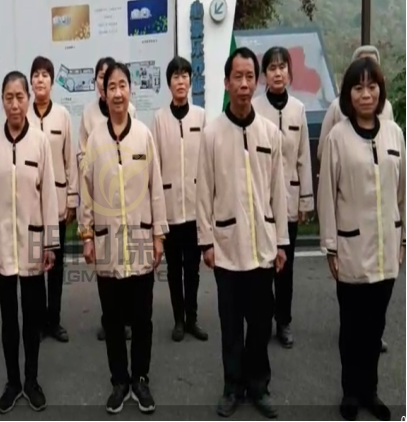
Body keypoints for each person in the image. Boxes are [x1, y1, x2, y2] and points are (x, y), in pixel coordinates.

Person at [196, 47, 289, 419]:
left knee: (261, 323)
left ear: (257, 81)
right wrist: (206, 241)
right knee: (231, 325)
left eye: (250, 77)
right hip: (227, 248)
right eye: (238, 77)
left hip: (263, 246)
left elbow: (278, 191)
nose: (244, 84)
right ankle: (232, 386)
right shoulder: (212, 134)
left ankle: (259, 384)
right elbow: (204, 191)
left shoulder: (269, 133)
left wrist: (281, 242)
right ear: (226, 82)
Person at [317, 57, 405, 422]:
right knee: (352, 327)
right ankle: (350, 391)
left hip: (387, 248)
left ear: (380, 91)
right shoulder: (338, 137)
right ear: (348, 95)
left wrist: (404, 239)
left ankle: (370, 390)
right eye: (358, 87)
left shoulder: (395, 133)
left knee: (375, 327)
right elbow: (326, 195)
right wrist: (330, 246)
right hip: (351, 248)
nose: (366, 94)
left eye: (372, 87)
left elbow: (403, 193)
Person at [79, 62, 168, 415]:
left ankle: (140, 379)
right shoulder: (95, 140)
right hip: (107, 243)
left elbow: (155, 187)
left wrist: (159, 234)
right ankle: (119, 380)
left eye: (122, 86)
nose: (117, 93)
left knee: (143, 318)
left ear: (131, 90)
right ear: (103, 93)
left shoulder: (143, 136)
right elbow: (87, 192)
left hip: (141, 239)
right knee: (113, 319)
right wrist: (86, 235)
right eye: (111, 87)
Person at [0, 71, 59, 414]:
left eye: (20, 97)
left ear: (28, 99)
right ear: (2, 101)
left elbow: (49, 196)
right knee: (9, 319)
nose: (14, 104)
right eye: (8, 97)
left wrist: (51, 243)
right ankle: (12, 382)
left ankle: (32, 380)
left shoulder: (39, 141)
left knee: (32, 317)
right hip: (1, 241)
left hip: (34, 241)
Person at [252, 46, 314, 349]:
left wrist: (305, 201)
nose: (278, 73)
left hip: (288, 199)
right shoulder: (255, 107)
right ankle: (263, 319)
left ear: (289, 72)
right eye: (272, 68)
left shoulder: (298, 110)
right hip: (262, 202)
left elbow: (303, 157)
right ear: (264, 75)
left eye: (282, 67)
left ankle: (284, 321)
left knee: (285, 268)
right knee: (263, 266)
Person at [78, 56, 137, 341]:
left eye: (117, 83)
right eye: (103, 79)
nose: (111, 88)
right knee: (107, 270)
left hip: (127, 200)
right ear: (98, 84)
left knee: (128, 265)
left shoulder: (133, 114)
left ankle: (127, 318)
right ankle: (110, 319)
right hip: (101, 194)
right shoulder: (89, 116)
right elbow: (84, 156)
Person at [151, 56, 208, 342]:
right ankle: (177, 320)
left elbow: (208, 164)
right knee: (174, 269)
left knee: (192, 270)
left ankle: (192, 318)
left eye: (185, 75)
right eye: (176, 76)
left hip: (195, 209)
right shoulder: (159, 119)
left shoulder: (201, 116)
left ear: (190, 80)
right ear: (169, 83)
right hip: (170, 208)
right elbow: (155, 167)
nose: (181, 81)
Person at [27, 56, 78, 343]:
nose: (40, 79)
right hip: (32, 205)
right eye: (36, 74)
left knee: (56, 266)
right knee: (35, 265)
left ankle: (54, 321)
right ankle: (37, 321)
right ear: (31, 81)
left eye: (45, 74)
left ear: (52, 80)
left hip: (57, 204)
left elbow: (70, 160)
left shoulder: (62, 116)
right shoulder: (24, 116)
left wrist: (72, 199)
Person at [317, 45, 394, 162]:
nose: (367, 68)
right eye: (362, 62)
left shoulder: (387, 108)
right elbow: (323, 151)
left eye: (372, 63)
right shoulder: (337, 107)